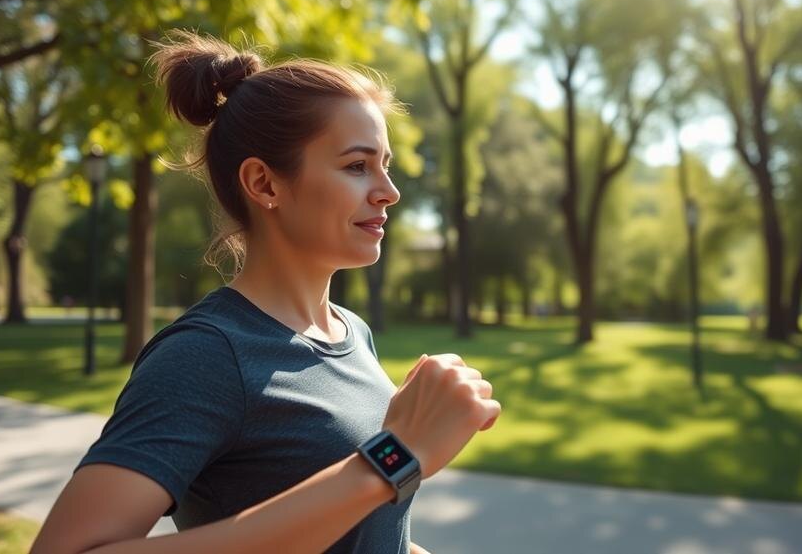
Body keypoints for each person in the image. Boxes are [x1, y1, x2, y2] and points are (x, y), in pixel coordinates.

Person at [30, 30, 501, 554]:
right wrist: (394, 455)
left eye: (385, 165)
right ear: (265, 184)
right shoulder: (207, 356)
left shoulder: (353, 333)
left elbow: (360, 532)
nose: (389, 191)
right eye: (356, 166)